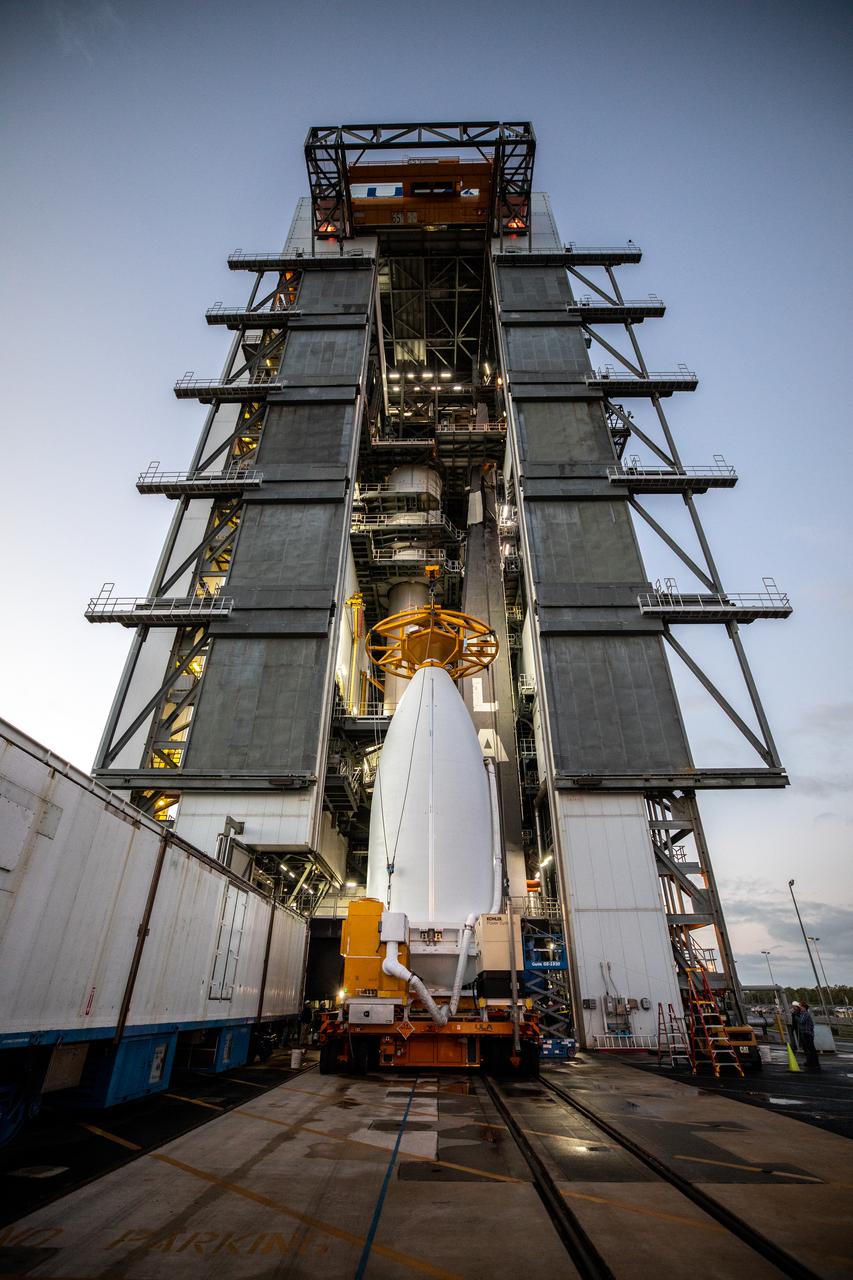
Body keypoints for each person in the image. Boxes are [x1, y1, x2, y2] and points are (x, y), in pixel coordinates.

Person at [798, 1001, 821, 1071]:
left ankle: (815, 1063)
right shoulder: (804, 1013)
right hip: (805, 1033)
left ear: (804, 1007)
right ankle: (810, 1062)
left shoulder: (805, 1014)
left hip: (807, 1033)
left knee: (811, 1049)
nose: (800, 1008)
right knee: (807, 1049)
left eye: (800, 1007)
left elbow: (801, 1021)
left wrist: (796, 1017)